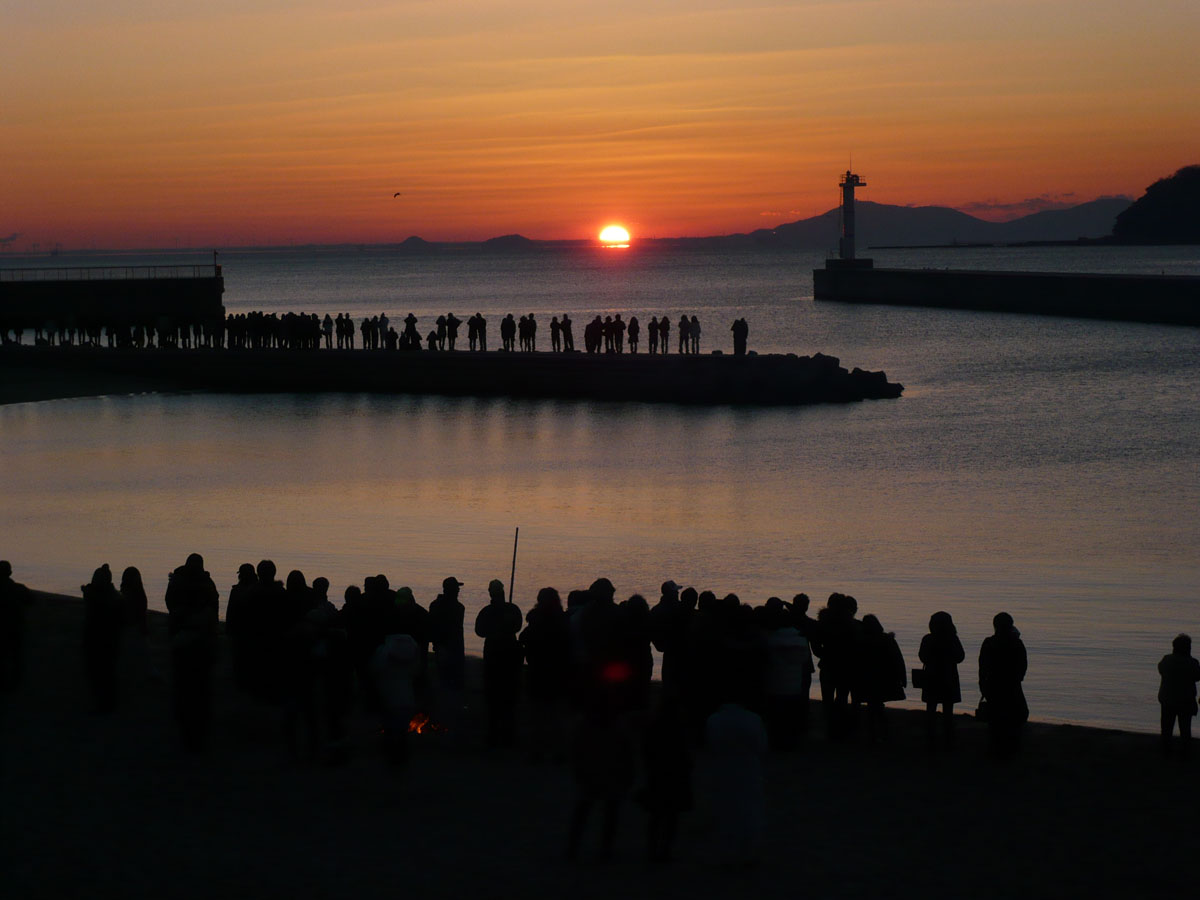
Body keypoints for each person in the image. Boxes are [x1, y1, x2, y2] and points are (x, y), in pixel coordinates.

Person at [164, 553, 220, 750]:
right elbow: (214, 608)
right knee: (199, 690)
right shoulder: (207, 585)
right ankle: (197, 732)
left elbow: (170, 603)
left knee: (185, 689)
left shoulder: (178, 583)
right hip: (199, 644)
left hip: (184, 642)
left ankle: (189, 731)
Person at [704, 696, 767, 866]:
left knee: (725, 808)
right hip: (748, 768)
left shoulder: (714, 720)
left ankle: (727, 851)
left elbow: (711, 744)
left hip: (723, 768)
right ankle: (748, 850)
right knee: (749, 809)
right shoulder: (754, 719)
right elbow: (762, 746)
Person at [520, 586, 571, 761]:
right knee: (555, 715)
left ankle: (537, 751)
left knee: (538, 715)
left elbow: (524, 638)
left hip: (538, 672)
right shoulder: (562, 621)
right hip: (556, 673)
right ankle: (558, 751)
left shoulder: (535, 620)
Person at [474, 579, 523, 747]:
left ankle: (494, 736)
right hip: (506, 657)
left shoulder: (488, 611)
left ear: (490, 593)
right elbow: (517, 626)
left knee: (494, 699)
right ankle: (507, 736)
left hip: (495, 656)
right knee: (508, 699)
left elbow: (479, 631)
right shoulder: (512, 609)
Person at [978, 612, 1028, 758]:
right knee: (1015, 716)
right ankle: (1011, 748)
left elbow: (983, 666)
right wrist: (1018, 678)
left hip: (994, 684)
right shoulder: (1016, 643)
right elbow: (1023, 664)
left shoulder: (989, 643)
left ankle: (996, 748)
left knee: (995, 720)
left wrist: (983, 684)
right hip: (1011, 684)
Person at [855, 614, 906, 743]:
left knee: (872, 707)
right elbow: (898, 659)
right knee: (877, 707)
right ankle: (882, 733)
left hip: (869, 678)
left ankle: (874, 734)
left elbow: (857, 660)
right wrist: (902, 677)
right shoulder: (887, 639)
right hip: (885, 679)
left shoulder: (862, 640)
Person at [918, 611, 965, 748]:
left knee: (931, 708)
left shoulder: (928, 639)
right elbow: (960, 657)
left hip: (931, 677)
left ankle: (930, 737)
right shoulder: (953, 639)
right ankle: (948, 738)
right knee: (948, 710)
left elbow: (922, 657)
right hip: (949, 677)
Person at [82, 564, 125, 712]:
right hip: (108, 640)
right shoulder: (113, 596)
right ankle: (107, 702)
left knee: (100, 673)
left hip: (101, 639)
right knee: (105, 673)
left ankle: (104, 703)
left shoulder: (101, 597)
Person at [1157, 633, 1200, 758]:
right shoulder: (1192, 663)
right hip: (1185, 701)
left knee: (1166, 728)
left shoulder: (1166, 660)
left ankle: (1166, 751)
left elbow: (1161, 670)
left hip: (1167, 699)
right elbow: (1198, 676)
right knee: (1185, 728)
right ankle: (1184, 753)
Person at [0, 561, 34, 691]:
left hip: (7, 627)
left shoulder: (16, 588)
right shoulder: (17, 588)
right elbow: (31, 600)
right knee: (15, 656)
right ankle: (14, 683)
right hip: (14, 627)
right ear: (10, 573)